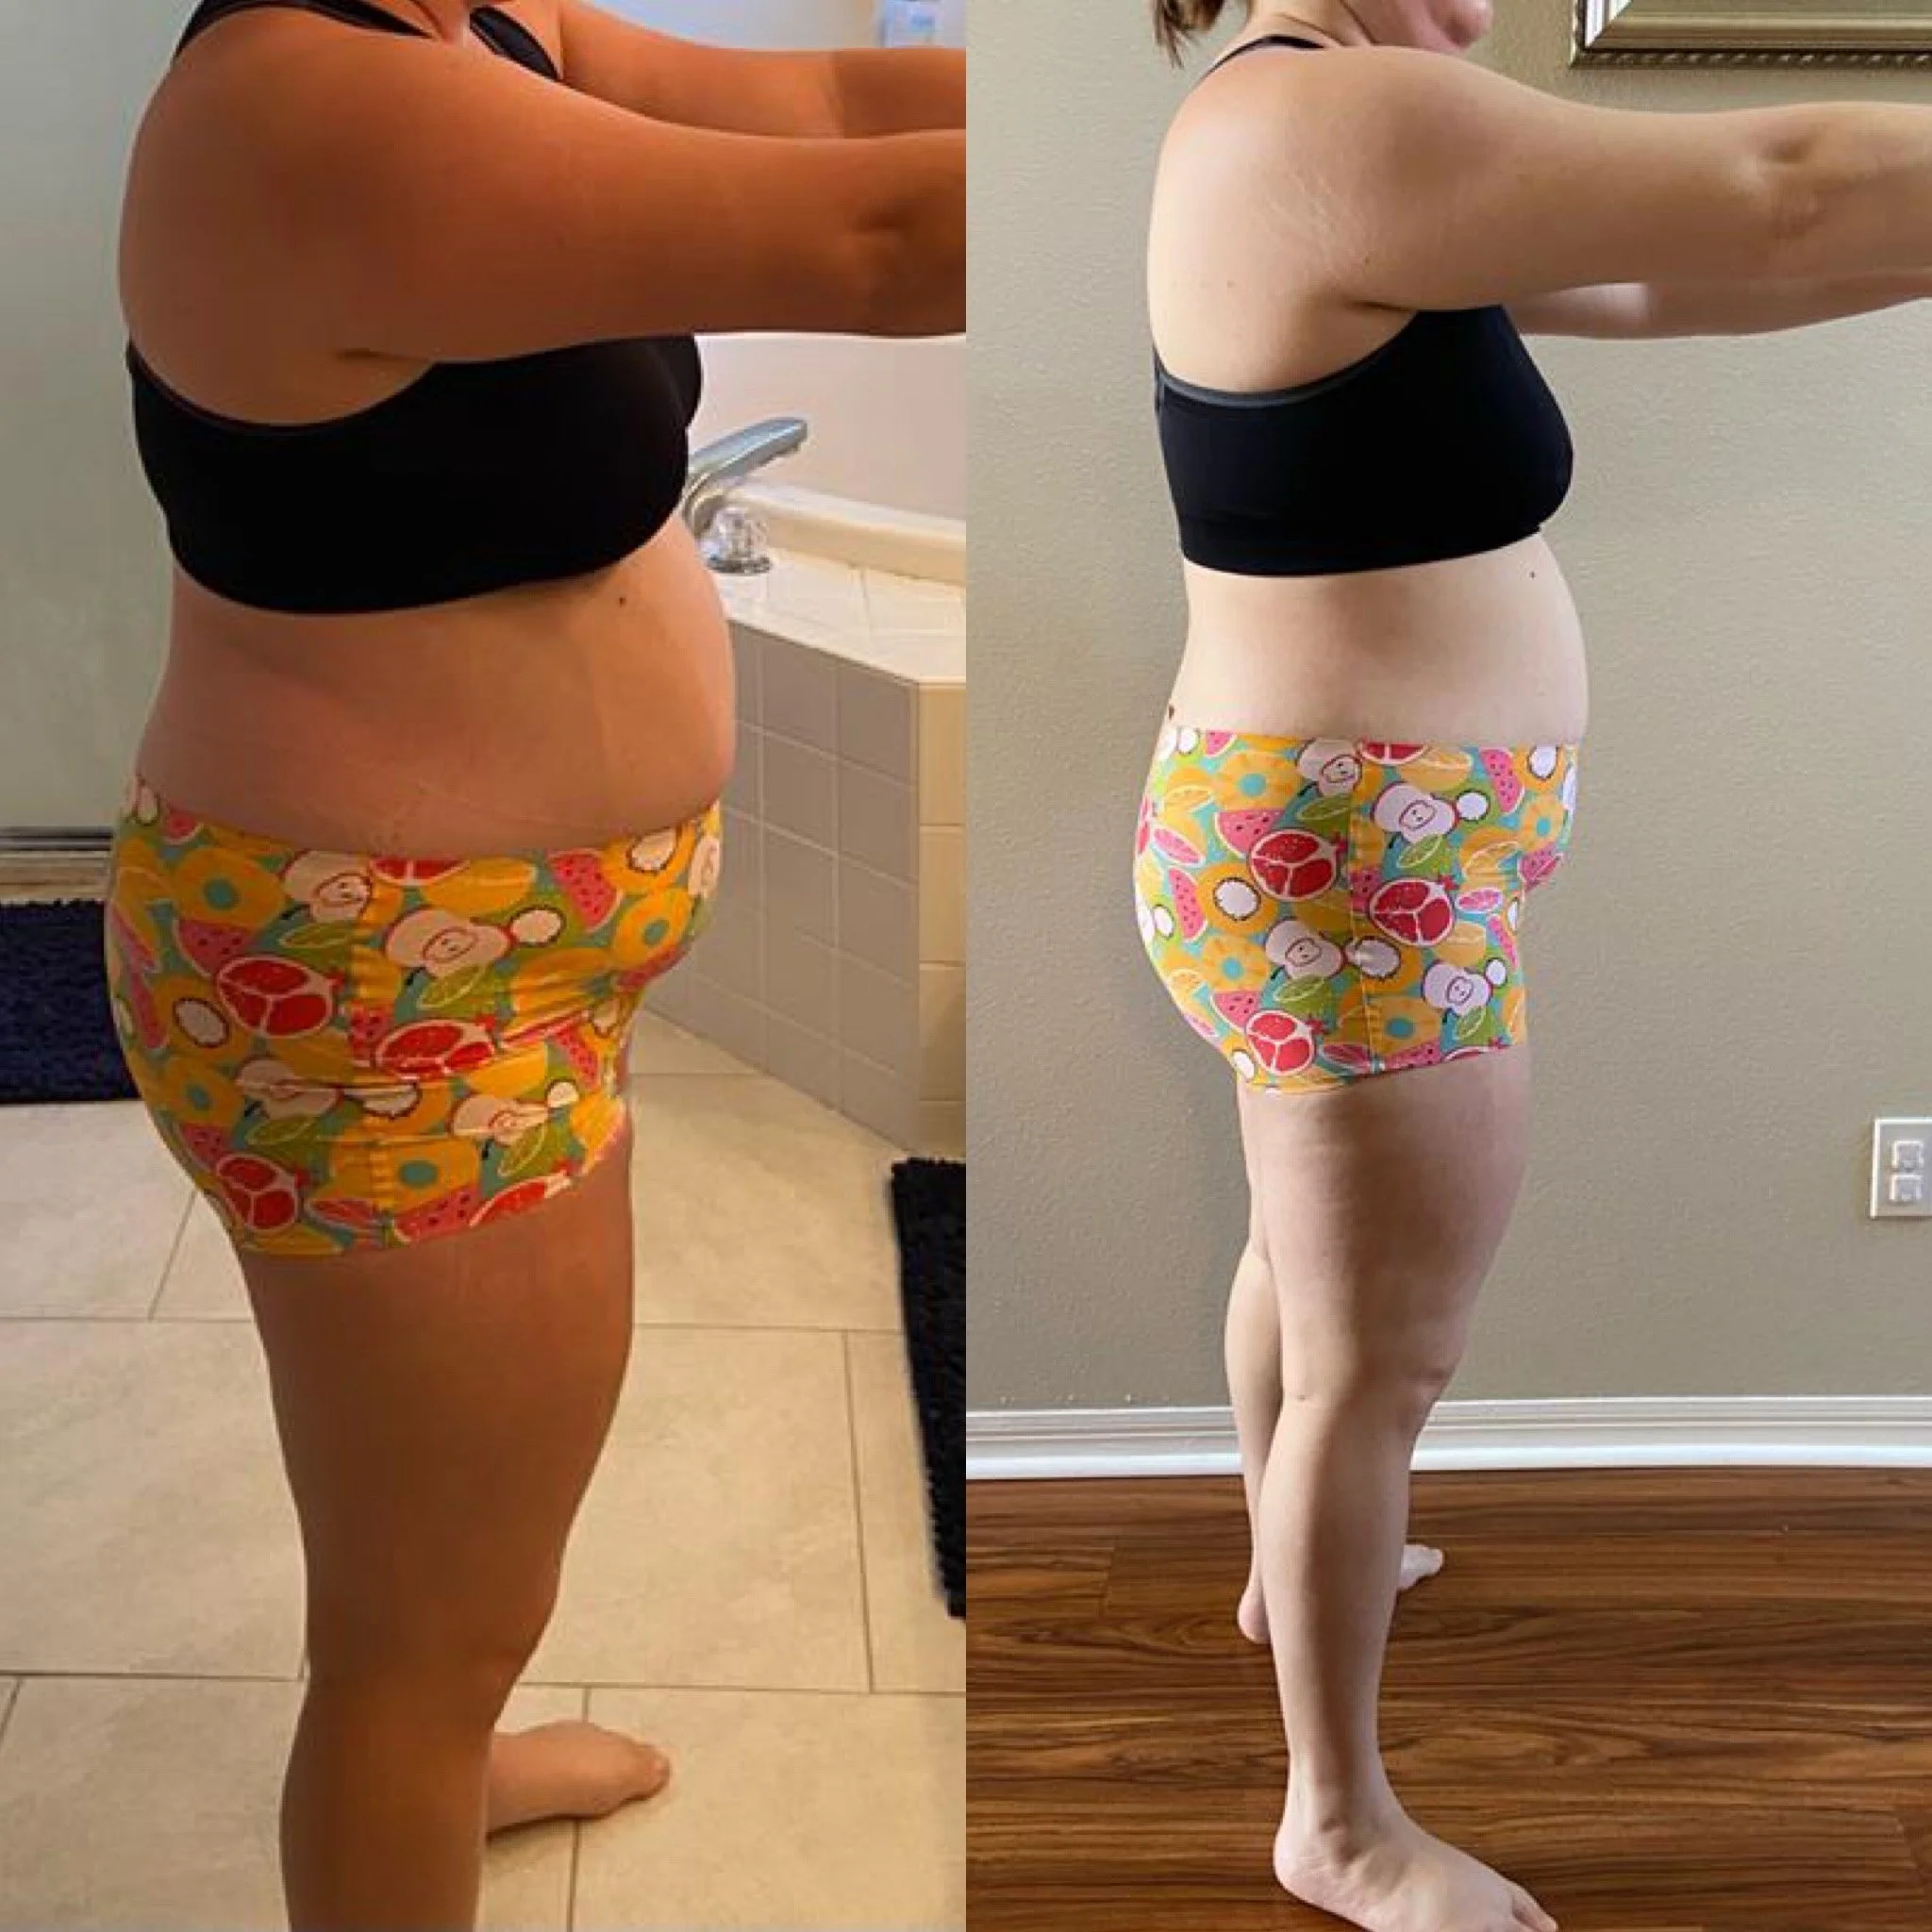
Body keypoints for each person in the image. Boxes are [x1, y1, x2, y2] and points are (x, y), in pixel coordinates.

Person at [102, 3, 962, 1925]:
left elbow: (834, 101)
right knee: (420, 1627)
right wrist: (1264, 158)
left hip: (495, 963)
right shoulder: (296, 103)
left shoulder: (479, 13)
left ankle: (455, 1748)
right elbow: (883, 238)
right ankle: (421, 1757)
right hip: (382, 997)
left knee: (468, 1559)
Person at [1135, 4, 1932, 1928]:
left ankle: (1286, 1557)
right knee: (1379, 1360)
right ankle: (1332, 1824)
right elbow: (1778, 182)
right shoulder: (1334, 114)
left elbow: (1672, 274)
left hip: (1352, 842)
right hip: (1358, 868)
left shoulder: (1295, 117)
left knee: (1307, 1283)